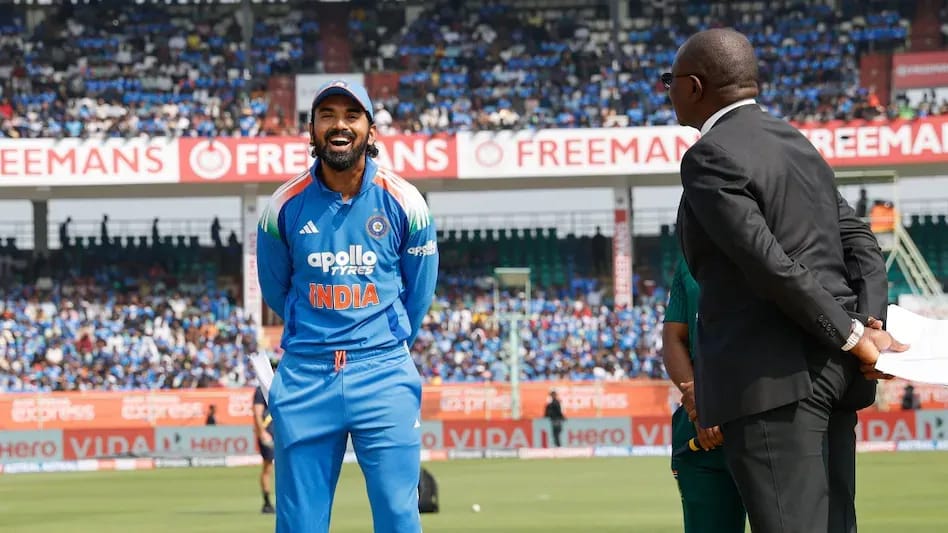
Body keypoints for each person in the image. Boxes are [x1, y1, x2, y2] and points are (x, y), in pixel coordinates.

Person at [667, 28, 907, 533]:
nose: (667, 92)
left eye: (669, 81)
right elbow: (861, 242)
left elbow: (768, 263)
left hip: (771, 383)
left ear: (693, 86)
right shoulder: (798, 144)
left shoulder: (708, 156)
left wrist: (854, 333)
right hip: (835, 375)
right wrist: (868, 322)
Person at [256, 79, 439, 533]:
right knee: (299, 524)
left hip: (382, 374)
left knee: (399, 517)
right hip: (305, 378)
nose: (340, 125)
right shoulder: (282, 206)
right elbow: (276, 290)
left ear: (371, 130)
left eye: (352, 115)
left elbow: (418, 296)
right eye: (328, 116)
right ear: (312, 131)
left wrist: (379, 345)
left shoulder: (405, 202)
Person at [662, 258, 746, 533]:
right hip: (702, 432)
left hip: (766, 420)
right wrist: (698, 401)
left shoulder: (784, 242)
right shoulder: (687, 260)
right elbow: (674, 337)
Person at [253, 384, 276, 514]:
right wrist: (262, 432)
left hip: (281, 431)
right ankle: (267, 502)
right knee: (268, 467)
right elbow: (257, 413)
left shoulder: (283, 385)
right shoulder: (261, 390)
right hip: (268, 432)